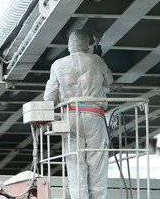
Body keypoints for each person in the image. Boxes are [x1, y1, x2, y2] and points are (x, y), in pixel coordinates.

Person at [44, 29, 113, 198]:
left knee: (75, 164)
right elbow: (109, 82)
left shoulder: (58, 65)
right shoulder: (97, 61)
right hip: (95, 115)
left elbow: (49, 97)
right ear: (86, 45)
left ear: (69, 46)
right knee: (97, 163)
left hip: (71, 117)